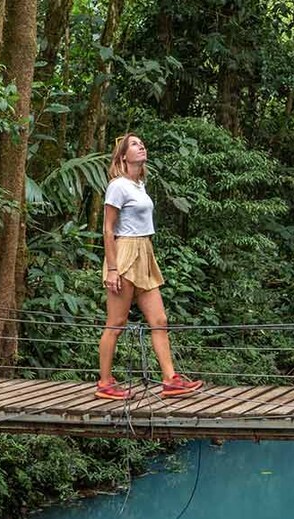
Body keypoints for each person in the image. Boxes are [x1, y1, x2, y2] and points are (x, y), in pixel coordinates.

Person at [95, 133, 204, 400]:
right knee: (117, 321)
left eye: (142, 142)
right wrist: (112, 268)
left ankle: (171, 380)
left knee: (159, 320)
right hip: (125, 251)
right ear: (122, 156)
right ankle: (105, 383)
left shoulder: (139, 185)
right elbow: (108, 229)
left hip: (145, 251)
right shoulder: (118, 185)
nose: (141, 145)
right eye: (134, 144)